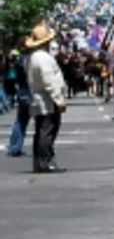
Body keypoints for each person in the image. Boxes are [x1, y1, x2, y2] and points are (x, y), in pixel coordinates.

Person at [24, 24, 67, 173]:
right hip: (46, 100)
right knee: (47, 132)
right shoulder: (42, 58)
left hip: (39, 98)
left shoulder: (33, 57)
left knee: (41, 131)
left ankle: (40, 161)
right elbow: (48, 80)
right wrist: (59, 99)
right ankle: (45, 161)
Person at [6, 49, 31, 157]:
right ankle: (43, 148)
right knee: (43, 122)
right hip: (30, 91)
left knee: (20, 121)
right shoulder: (29, 60)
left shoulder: (20, 60)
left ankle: (14, 147)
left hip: (22, 91)